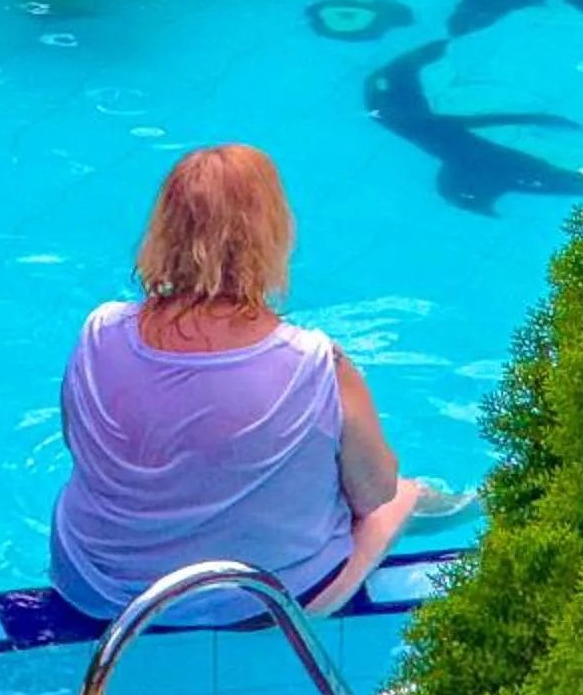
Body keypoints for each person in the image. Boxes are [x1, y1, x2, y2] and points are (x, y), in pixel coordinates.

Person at [48, 145, 463, 622]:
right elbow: (373, 493)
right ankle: (477, 505)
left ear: (162, 229)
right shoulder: (315, 363)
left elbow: (75, 443)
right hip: (256, 600)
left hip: (94, 587)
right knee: (406, 493)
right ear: (271, 234)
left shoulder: (98, 334)